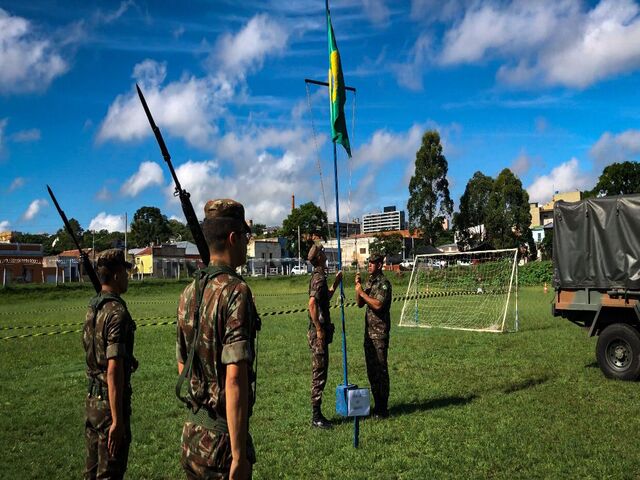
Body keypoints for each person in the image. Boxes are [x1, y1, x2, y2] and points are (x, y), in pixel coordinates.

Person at [176, 199, 260, 480]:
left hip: (193, 435)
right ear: (233, 238)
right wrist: (238, 455)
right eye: (245, 237)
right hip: (223, 446)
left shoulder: (189, 292)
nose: (247, 243)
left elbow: (182, 363)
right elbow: (235, 378)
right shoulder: (236, 291)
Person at [83, 248, 137, 480]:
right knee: (109, 473)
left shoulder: (94, 308)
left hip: (92, 400)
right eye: (125, 271)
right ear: (116, 275)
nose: (127, 276)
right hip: (109, 405)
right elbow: (114, 370)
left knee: (91, 470)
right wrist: (117, 420)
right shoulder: (117, 313)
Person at [307, 244, 342, 429]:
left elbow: (323, 298)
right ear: (318, 257)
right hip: (317, 334)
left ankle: (317, 413)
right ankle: (316, 416)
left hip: (319, 332)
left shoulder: (319, 277)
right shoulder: (319, 277)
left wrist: (335, 284)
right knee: (319, 373)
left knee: (321, 371)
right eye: (322, 253)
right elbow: (312, 304)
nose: (325, 255)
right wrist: (319, 328)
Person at [355, 253, 392, 418]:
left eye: (372, 263)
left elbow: (377, 304)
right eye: (368, 263)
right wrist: (358, 288)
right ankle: (376, 404)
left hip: (379, 334)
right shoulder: (370, 281)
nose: (369, 265)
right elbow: (359, 304)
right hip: (369, 333)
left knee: (381, 370)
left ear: (379, 265)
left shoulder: (384, 284)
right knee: (371, 370)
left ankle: (382, 407)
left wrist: (362, 293)